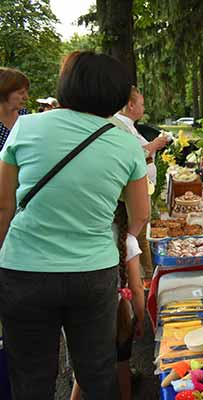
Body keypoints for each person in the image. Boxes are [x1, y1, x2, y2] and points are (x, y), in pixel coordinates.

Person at [0, 51, 149, 399]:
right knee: (97, 372)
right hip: (93, 272)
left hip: (23, 269)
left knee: (31, 377)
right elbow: (139, 215)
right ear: (115, 95)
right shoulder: (126, 142)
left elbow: (4, 205)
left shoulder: (26, 125)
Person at [70, 202, 145, 400]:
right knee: (123, 363)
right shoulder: (128, 241)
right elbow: (137, 288)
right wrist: (140, 318)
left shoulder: (82, 240)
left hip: (85, 309)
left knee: (86, 363)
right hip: (120, 311)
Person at [113, 86, 169, 282]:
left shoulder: (128, 125)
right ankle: (144, 277)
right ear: (130, 105)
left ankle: (145, 275)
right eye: (142, 104)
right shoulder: (120, 126)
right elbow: (135, 154)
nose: (144, 108)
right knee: (138, 233)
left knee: (141, 233)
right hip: (135, 188)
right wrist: (156, 144)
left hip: (143, 185)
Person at [0, 67, 29, 151]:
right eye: (21, 93)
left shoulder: (25, 115)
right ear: (5, 93)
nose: (26, 97)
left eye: (26, 92)